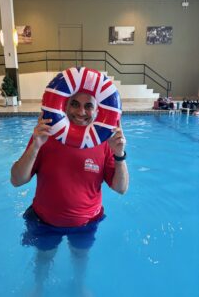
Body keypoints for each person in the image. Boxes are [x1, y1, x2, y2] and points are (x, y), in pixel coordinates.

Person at [11, 92, 129, 296]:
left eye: (88, 106)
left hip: (86, 222)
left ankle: (79, 284)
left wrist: (119, 155)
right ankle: (39, 286)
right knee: (44, 256)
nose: (81, 112)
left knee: (80, 255)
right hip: (45, 221)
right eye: (74, 104)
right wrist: (36, 146)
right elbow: (16, 180)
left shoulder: (104, 141)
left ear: (97, 110)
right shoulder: (47, 135)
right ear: (64, 105)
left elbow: (121, 188)